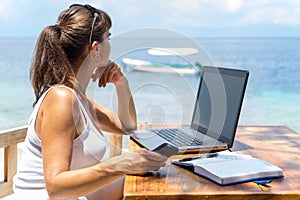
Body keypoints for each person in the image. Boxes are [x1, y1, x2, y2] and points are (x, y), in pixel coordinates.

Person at [13, 4, 167, 200]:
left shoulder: (77, 97)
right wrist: (119, 165)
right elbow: (55, 187)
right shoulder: (62, 99)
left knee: (154, 181)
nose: (111, 45)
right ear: (96, 50)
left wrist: (121, 82)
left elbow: (127, 126)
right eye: (108, 38)